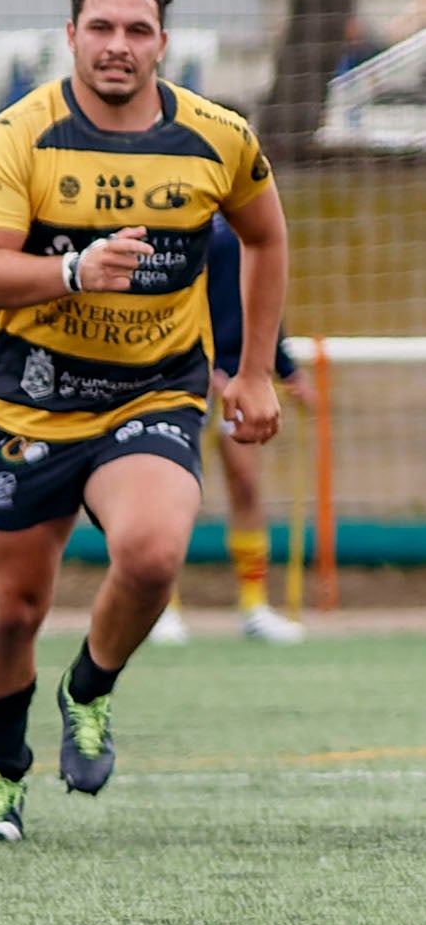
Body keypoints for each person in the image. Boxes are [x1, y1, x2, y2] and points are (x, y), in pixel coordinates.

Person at [0, 0, 289, 844]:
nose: (118, 46)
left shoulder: (218, 137)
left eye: (137, 30)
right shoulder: (19, 135)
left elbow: (267, 234)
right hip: (32, 404)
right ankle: (1, 774)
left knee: (150, 553)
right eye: (101, 28)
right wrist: (72, 267)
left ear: (162, 44)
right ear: (71, 37)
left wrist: (253, 370)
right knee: (10, 611)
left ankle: (88, 689)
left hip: (155, 392)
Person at [147, 211, 317, 647]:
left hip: (236, 374)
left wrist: (285, 369)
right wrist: (195, 365)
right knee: (170, 491)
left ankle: (254, 607)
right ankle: (161, 607)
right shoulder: (174, 210)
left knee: (245, 485)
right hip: (177, 376)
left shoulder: (249, 212)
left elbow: (263, 294)